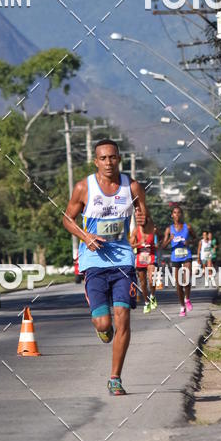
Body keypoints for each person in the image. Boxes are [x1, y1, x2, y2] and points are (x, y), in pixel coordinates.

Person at [63, 138, 153, 396]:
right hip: (94, 263)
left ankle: (115, 377)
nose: (108, 162)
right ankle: (103, 327)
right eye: (103, 158)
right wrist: (86, 237)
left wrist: (144, 221)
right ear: (96, 161)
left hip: (123, 260)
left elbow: (147, 226)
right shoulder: (84, 188)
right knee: (104, 324)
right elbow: (67, 220)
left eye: (112, 157)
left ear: (119, 158)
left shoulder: (132, 187)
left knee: (123, 317)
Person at [162, 205, 194, 317]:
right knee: (178, 284)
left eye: (179, 212)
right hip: (175, 257)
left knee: (186, 279)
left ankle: (187, 299)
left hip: (186, 256)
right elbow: (163, 246)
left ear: (182, 214)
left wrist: (189, 242)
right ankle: (182, 306)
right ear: (172, 215)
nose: (177, 215)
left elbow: (195, 239)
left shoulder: (188, 227)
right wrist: (170, 240)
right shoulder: (169, 229)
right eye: (175, 213)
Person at [130, 223, 159, 313]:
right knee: (143, 284)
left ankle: (153, 296)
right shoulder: (135, 230)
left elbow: (157, 244)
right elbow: (131, 245)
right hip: (140, 259)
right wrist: (140, 243)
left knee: (151, 279)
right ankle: (147, 302)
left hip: (151, 258)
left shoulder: (153, 230)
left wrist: (155, 245)